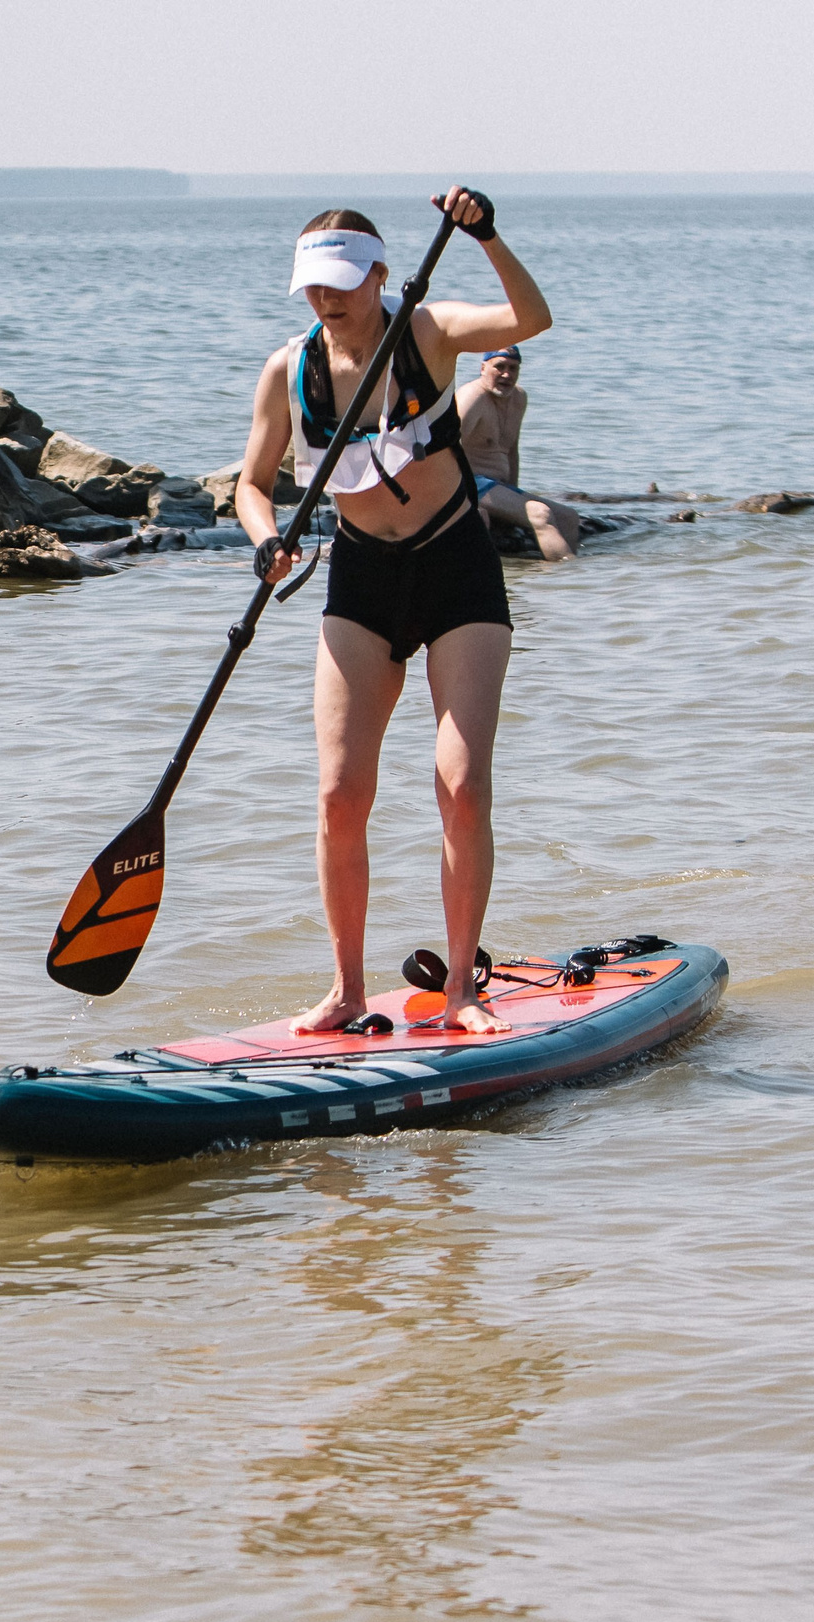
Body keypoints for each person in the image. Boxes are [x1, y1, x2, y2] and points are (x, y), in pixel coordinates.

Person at [234, 188, 552, 1035]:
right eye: (313, 286)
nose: (325, 300)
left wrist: (485, 236)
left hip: (456, 568)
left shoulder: (429, 332)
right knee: (340, 793)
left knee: (462, 785)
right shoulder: (287, 370)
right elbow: (252, 484)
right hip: (363, 577)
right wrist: (267, 538)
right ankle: (345, 988)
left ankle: (461, 990)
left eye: (341, 282)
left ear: (379, 274)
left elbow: (532, 317)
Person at [456, 346, 583, 562]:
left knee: (569, 517)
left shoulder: (519, 398)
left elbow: (511, 450)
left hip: (499, 486)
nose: (506, 375)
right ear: (483, 368)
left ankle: (565, 588)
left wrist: (513, 494)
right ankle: (569, 572)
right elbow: (448, 448)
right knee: (540, 514)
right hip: (472, 484)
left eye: (513, 368)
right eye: (499, 367)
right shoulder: (472, 398)